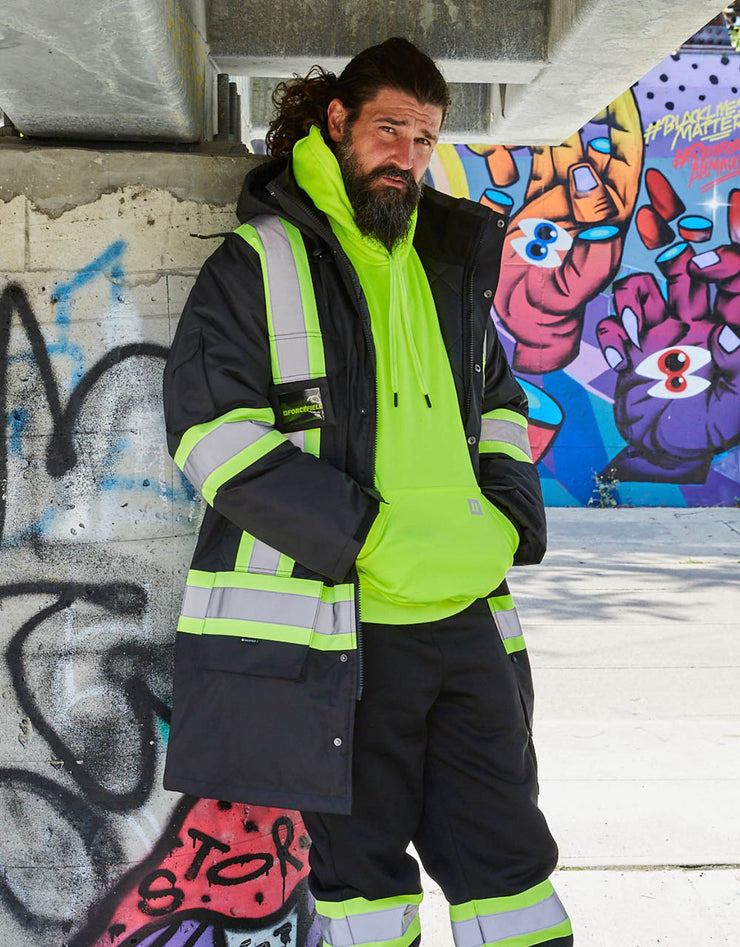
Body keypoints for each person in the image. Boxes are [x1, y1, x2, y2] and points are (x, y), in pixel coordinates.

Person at [163, 36, 572, 947]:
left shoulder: (446, 259)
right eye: (390, 130)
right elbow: (209, 433)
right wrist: (371, 538)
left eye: (425, 140)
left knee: (511, 868)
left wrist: (506, 522)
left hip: (468, 619)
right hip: (344, 629)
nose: (408, 157)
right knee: (364, 882)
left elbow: (501, 404)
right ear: (338, 122)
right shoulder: (259, 261)